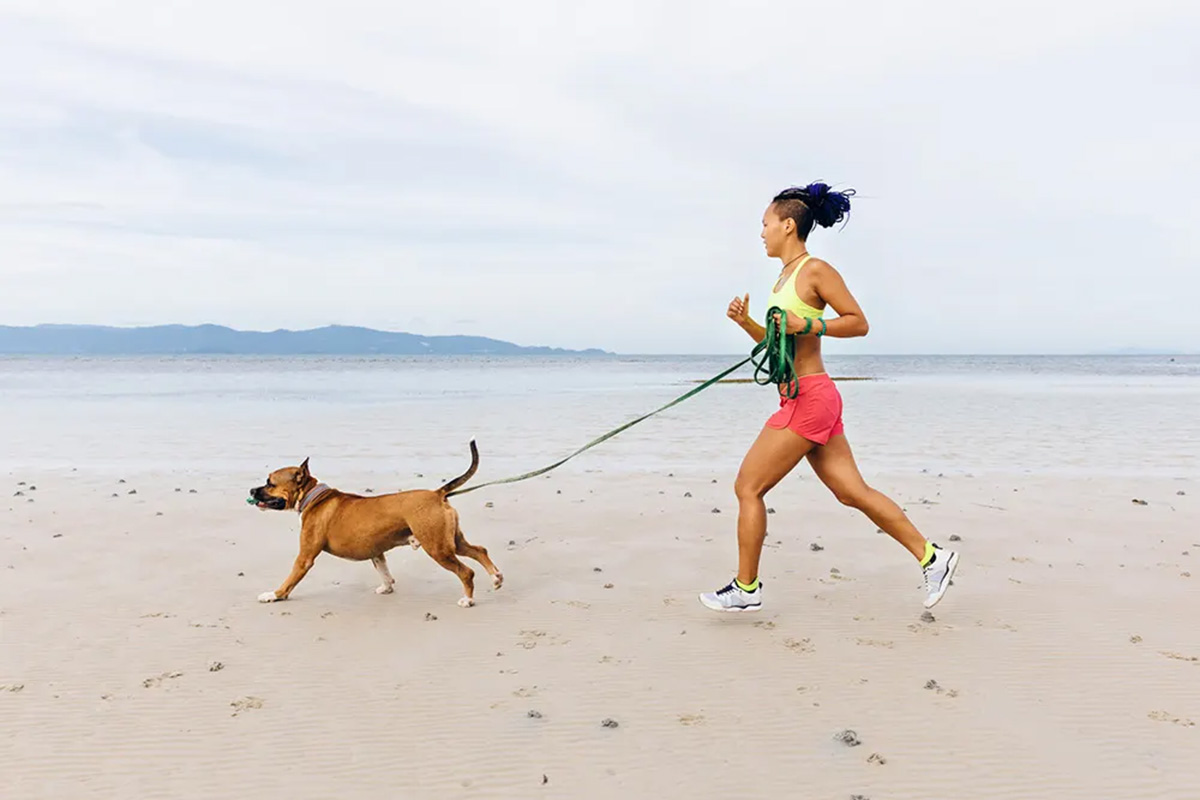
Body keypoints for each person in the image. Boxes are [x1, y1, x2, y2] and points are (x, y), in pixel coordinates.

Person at [699, 183, 959, 613]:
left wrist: (812, 327)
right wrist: (748, 323)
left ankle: (747, 588)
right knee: (852, 492)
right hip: (804, 397)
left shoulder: (815, 270)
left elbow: (858, 323)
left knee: (748, 486)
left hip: (810, 398)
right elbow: (780, 344)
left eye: (764, 224)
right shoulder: (782, 279)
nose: (760, 233)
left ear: (787, 225)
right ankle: (934, 558)